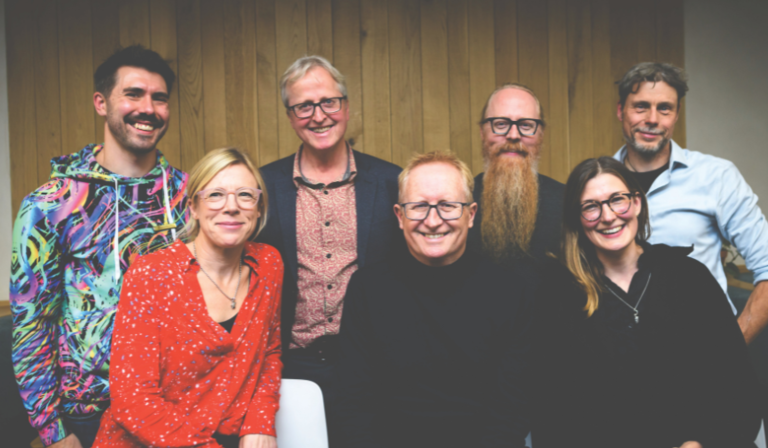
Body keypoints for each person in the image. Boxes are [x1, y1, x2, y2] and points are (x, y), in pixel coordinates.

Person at [9, 45, 187, 448]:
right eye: (133, 94)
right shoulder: (52, 203)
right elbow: (31, 326)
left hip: (177, 407)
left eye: (159, 98)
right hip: (89, 415)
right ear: (101, 103)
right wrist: (55, 433)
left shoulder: (191, 198)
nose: (149, 108)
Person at [532, 156, 761, 447]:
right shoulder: (560, 295)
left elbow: (735, 385)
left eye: (618, 200)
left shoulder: (690, 278)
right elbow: (552, 410)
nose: (608, 216)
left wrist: (701, 443)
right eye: (591, 206)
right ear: (577, 219)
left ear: (637, 203)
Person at [335, 151, 534, 448]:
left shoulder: (510, 291)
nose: (433, 220)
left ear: (471, 214)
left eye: (447, 206)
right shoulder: (367, 288)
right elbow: (354, 400)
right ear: (400, 216)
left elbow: (512, 407)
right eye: (418, 207)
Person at [92, 148, 282, 448]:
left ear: (258, 208)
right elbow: (132, 400)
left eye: (245, 195)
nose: (231, 207)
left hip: (230, 435)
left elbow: (268, 352)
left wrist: (260, 421)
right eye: (216, 195)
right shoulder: (151, 274)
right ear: (193, 207)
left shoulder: (268, 265)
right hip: (149, 440)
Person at [256, 56, 402, 417]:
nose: (318, 115)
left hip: (375, 364)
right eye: (304, 106)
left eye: (328, 102)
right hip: (292, 368)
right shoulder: (262, 187)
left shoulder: (391, 183)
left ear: (346, 107)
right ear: (290, 116)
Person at [612, 62, 768, 344]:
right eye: (641, 106)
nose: (652, 119)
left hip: (702, 348)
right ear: (621, 110)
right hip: (622, 352)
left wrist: (734, 345)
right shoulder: (598, 183)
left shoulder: (718, 177)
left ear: (676, 115)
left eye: (665, 108)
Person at [468, 83, 565, 262]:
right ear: (482, 132)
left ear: (541, 135)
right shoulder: (459, 203)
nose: (513, 135)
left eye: (526, 125)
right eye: (501, 124)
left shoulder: (568, 202)